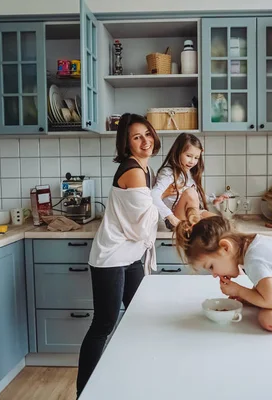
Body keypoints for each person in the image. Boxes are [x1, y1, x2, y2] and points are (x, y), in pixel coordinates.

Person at [76, 113, 161, 397]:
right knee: (103, 324)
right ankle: (84, 392)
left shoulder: (145, 169)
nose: (145, 141)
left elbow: (149, 211)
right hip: (112, 257)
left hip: (130, 257)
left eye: (147, 133)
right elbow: (142, 225)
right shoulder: (134, 171)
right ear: (126, 144)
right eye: (137, 137)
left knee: (140, 315)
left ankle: (133, 377)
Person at [175, 209, 272, 332]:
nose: (214, 274)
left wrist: (239, 290)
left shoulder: (254, 260)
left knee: (268, 318)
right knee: (261, 304)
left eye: (211, 266)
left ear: (225, 247)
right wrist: (246, 297)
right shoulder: (255, 244)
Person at [151, 132, 228, 230]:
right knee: (190, 192)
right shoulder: (168, 173)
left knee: (222, 224)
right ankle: (195, 227)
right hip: (177, 217)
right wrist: (171, 217)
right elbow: (153, 195)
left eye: (196, 158)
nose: (192, 161)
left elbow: (196, 196)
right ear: (178, 152)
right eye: (189, 156)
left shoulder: (188, 172)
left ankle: (196, 224)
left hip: (193, 213)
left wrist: (213, 200)